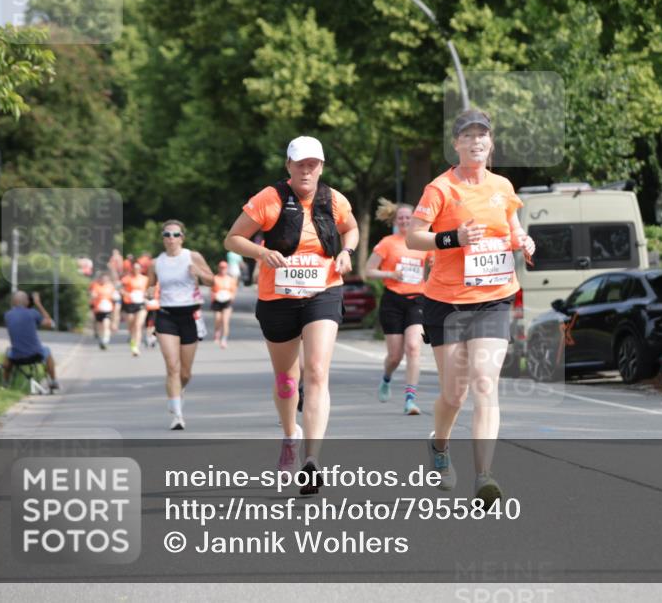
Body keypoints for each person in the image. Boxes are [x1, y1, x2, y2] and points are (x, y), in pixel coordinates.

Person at [406, 109, 535, 506]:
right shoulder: (440, 188)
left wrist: (524, 243)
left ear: (490, 143)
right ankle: (440, 446)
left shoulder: (502, 185)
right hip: (446, 302)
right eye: (469, 136)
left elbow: (511, 230)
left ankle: (484, 477)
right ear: (457, 144)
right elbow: (414, 238)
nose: (476, 141)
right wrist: (454, 238)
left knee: (484, 383)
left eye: (483, 135)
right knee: (454, 393)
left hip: (494, 297)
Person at [224, 135, 358, 492]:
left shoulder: (334, 199)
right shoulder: (269, 199)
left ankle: (313, 460)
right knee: (287, 380)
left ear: (321, 167)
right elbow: (232, 239)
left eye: (313, 163)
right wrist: (259, 252)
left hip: (323, 292)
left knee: (316, 371)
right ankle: (289, 437)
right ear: (288, 166)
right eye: (300, 163)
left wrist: (347, 251)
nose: (306, 169)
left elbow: (352, 228)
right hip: (278, 296)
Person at [147, 220, 214, 430]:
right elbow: (150, 284)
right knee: (172, 366)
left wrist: (199, 274)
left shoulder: (192, 256)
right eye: (167, 234)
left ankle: (177, 392)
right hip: (166, 315)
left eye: (175, 234)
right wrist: (149, 291)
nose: (171, 238)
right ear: (162, 238)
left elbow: (212, 280)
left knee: (185, 373)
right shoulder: (155, 262)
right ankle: (177, 414)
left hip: (190, 315)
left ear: (182, 237)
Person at [365, 198, 429, 415]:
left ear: (414, 221)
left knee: (413, 347)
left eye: (408, 218)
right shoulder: (387, 243)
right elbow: (368, 270)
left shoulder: (423, 242)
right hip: (392, 300)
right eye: (400, 218)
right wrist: (390, 274)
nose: (404, 221)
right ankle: (386, 378)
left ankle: (410, 399)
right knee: (394, 356)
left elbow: (436, 266)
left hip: (417, 300)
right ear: (395, 220)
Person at [3, 291, 59, 391]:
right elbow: (51, 324)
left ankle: (5, 384)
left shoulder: (7, 315)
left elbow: (17, 315)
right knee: (47, 351)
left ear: (13, 302)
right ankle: (54, 381)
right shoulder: (33, 313)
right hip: (35, 354)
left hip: (16, 357)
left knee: (8, 352)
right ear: (27, 302)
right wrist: (38, 303)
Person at [120, 263, 149, 356]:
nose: (136, 270)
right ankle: (132, 342)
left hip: (141, 304)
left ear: (140, 269)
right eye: (134, 268)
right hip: (129, 304)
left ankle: (136, 347)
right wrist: (127, 294)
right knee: (131, 327)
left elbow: (150, 290)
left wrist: (147, 295)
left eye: (138, 268)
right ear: (132, 269)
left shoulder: (145, 279)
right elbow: (120, 289)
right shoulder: (127, 278)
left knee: (138, 325)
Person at [211, 260, 238, 348]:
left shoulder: (230, 279)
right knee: (218, 319)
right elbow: (212, 290)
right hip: (217, 301)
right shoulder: (215, 278)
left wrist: (232, 298)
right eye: (221, 267)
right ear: (219, 268)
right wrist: (213, 296)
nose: (223, 269)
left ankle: (224, 339)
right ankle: (217, 332)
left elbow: (234, 290)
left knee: (225, 321)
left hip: (227, 301)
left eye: (224, 268)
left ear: (227, 269)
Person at [90, 273, 116, 350]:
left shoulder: (110, 286)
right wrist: (94, 296)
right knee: (100, 327)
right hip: (98, 309)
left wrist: (114, 297)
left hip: (107, 309)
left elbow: (114, 296)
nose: (104, 281)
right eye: (102, 279)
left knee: (106, 324)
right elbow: (92, 294)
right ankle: (101, 339)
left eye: (105, 279)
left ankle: (106, 340)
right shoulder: (96, 286)